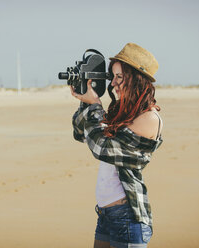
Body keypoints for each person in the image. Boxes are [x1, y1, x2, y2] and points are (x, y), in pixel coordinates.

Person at [70, 43, 163, 248]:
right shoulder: (122, 112)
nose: (113, 84)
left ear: (137, 79)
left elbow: (102, 148)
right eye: (113, 77)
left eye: (119, 77)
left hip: (128, 217)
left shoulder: (149, 118)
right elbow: (81, 134)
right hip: (105, 214)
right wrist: (85, 98)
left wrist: (95, 106)